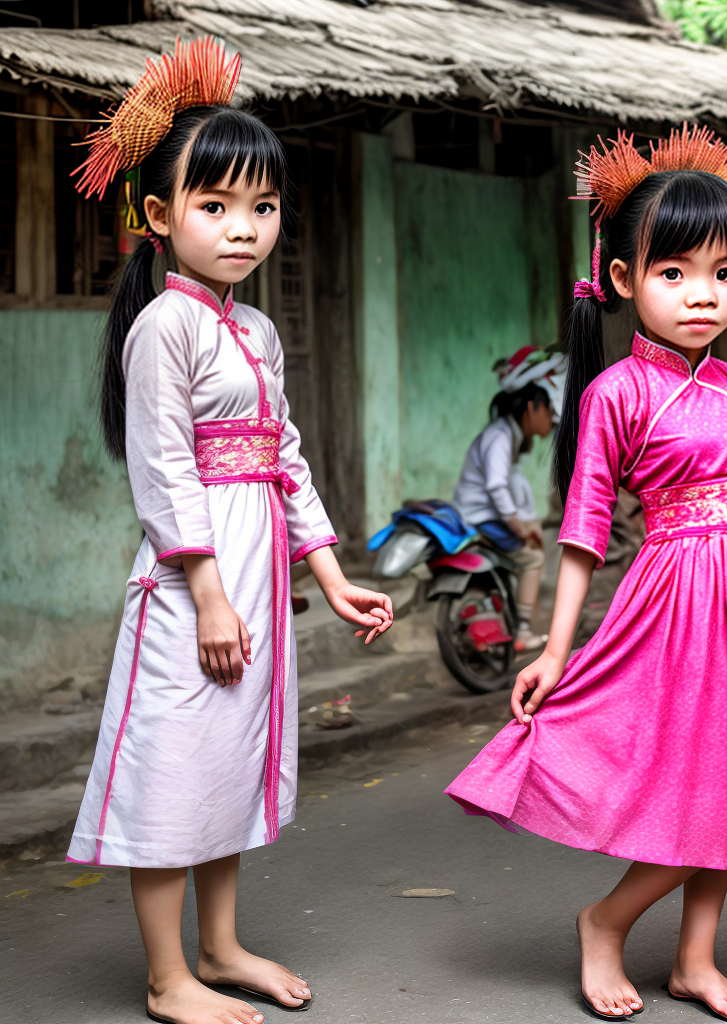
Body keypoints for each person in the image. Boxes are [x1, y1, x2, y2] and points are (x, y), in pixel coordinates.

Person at [446, 126, 727, 1022]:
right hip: (677, 610)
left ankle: (695, 962)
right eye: (674, 274)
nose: (703, 295)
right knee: (695, 786)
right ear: (625, 281)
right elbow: (583, 534)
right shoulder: (614, 396)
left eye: (724, 272)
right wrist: (554, 652)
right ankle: (605, 920)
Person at [64, 39, 393, 1024]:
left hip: (256, 579)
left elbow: (283, 453)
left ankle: (220, 944)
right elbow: (163, 468)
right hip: (191, 584)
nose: (244, 227)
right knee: (175, 760)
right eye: (216, 206)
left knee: (227, 758)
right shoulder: (161, 328)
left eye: (263, 206)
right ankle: (169, 978)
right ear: (161, 218)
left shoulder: (257, 331)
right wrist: (205, 590)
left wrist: (331, 576)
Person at [452, 382, 554, 651]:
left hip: (478, 514)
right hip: (481, 518)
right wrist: (519, 527)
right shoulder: (501, 437)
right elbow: (497, 486)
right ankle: (522, 630)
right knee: (533, 557)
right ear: (532, 408)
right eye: (549, 409)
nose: (552, 418)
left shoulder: (506, 435)